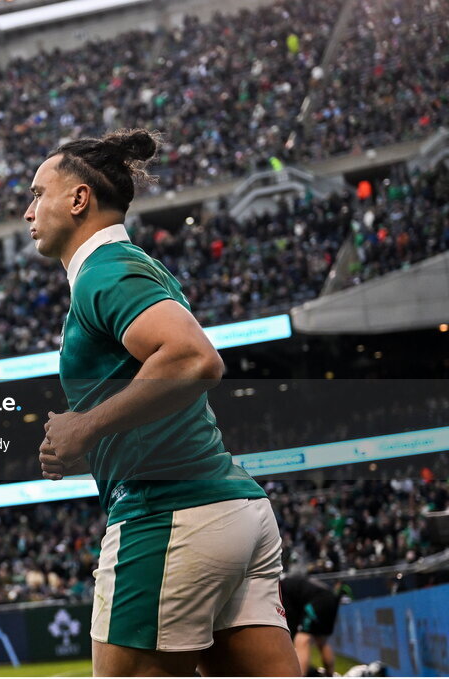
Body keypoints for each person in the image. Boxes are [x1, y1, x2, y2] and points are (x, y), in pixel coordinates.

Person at [29, 129, 299, 676]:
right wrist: (96, 439)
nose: (29, 210)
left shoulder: (105, 270)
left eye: (38, 193)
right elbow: (157, 385)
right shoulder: (121, 269)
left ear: (79, 199)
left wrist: (85, 428)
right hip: (228, 508)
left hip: (170, 514)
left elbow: (193, 359)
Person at [281, 575, 342, 676]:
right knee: (321, 640)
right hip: (330, 599)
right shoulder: (293, 581)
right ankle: (330, 675)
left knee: (301, 640)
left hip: (318, 601)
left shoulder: (282, 587)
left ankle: (301, 676)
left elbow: (291, 615)